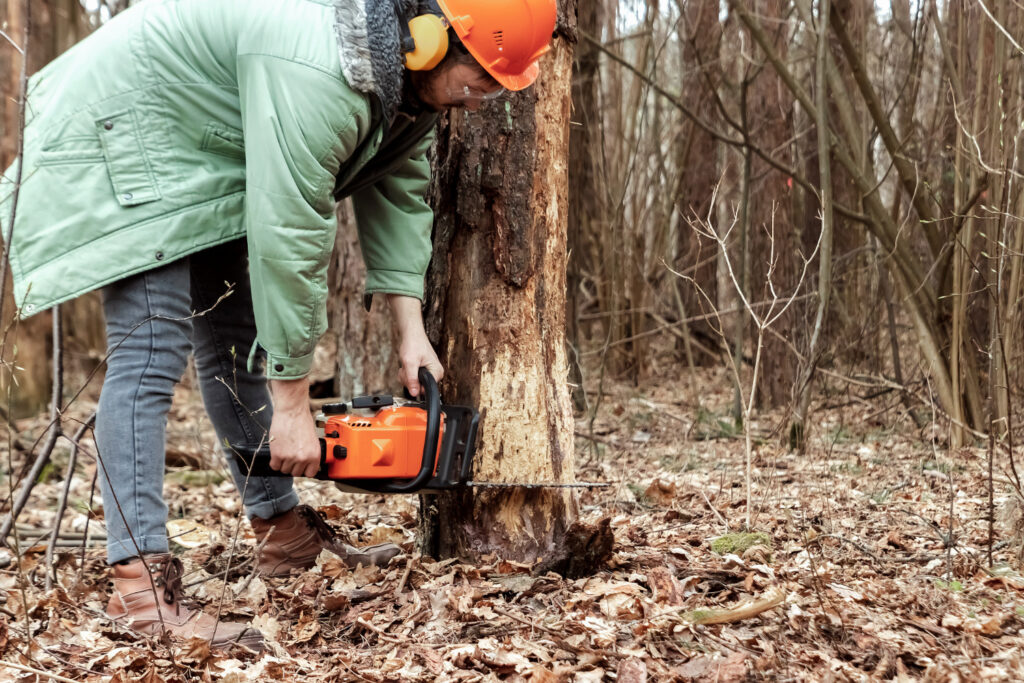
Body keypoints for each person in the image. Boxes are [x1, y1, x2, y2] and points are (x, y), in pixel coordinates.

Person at [0, 0, 556, 651]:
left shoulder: (405, 87)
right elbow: (289, 236)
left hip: (199, 139)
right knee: (152, 346)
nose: (486, 97)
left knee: (234, 331)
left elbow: (400, 190)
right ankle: (141, 591)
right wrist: (290, 403)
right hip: (123, 120)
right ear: (433, 39)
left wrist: (410, 326)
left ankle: (280, 532)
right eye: (484, 77)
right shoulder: (321, 70)